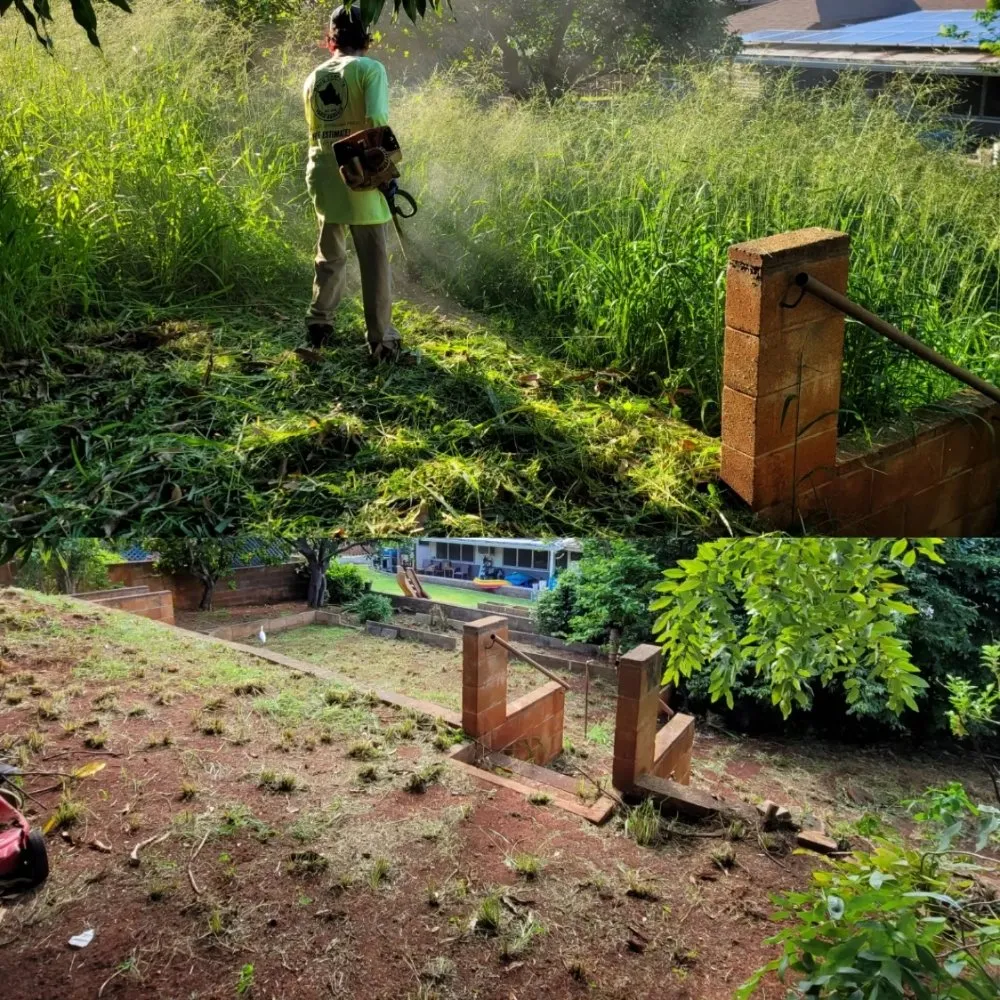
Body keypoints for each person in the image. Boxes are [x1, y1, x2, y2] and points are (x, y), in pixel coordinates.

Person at [301, 4, 412, 363]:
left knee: (329, 254)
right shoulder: (369, 69)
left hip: (321, 173)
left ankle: (318, 325)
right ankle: (381, 341)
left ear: (329, 39)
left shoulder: (313, 76)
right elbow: (376, 123)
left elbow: (317, 130)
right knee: (375, 260)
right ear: (368, 37)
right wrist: (385, 178)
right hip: (359, 175)